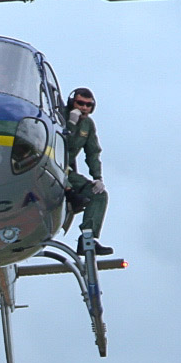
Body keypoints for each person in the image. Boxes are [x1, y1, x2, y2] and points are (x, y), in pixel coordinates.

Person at [62, 87, 112, 256]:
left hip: (66, 171)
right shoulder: (59, 116)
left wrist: (97, 177)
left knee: (99, 194)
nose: (84, 108)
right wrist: (70, 123)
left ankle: (87, 238)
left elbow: (92, 152)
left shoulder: (88, 125)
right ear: (72, 103)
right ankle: (69, 194)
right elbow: (62, 144)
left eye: (88, 105)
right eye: (80, 103)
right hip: (46, 166)